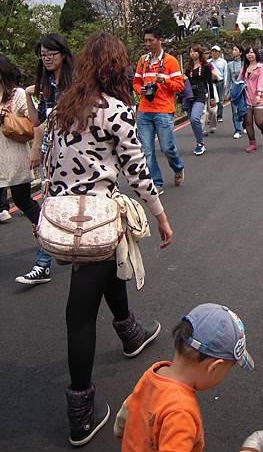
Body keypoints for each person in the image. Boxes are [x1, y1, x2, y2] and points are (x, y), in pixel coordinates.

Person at [49, 32, 173, 447]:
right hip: (96, 215)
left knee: (109, 264)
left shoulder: (65, 105)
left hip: (64, 212)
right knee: (79, 313)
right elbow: (138, 171)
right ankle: (80, 414)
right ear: (118, 67)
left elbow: (52, 163)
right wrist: (161, 217)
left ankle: (130, 333)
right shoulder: (116, 111)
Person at [114, 303, 253, 451]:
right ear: (214, 367)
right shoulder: (181, 413)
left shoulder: (154, 373)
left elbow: (127, 411)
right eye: (226, 371)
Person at [16, 33, 74, 285]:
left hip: (76, 156)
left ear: (63, 54)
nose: (47, 58)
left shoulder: (75, 83)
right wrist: (30, 95)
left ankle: (86, 252)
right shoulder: (48, 84)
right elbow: (38, 122)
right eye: (43, 55)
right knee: (48, 207)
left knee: (75, 207)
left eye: (51, 53)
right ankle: (43, 264)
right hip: (52, 156)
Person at [134, 27, 185, 196]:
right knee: (146, 151)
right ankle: (157, 182)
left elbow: (179, 86)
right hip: (144, 111)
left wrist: (165, 81)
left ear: (159, 40)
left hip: (163, 110)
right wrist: (139, 90)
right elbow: (136, 82)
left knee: (167, 147)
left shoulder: (170, 61)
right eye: (145, 40)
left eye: (150, 40)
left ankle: (178, 167)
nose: (147, 44)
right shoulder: (142, 61)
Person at [0, 54, 41, 243]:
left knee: (22, 200)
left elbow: (37, 122)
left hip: (14, 159)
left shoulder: (17, 94)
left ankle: (47, 231)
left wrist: (35, 150)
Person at [185, 45, 215, 156]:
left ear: (199, 53)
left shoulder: (206, 66)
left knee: (194, 118)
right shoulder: (188, 67)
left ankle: (200, 144)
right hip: (189, 95)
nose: (193, 54)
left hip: (200, 94)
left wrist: (212, 97)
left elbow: (210, 82)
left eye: (195, 52)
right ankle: (200, 142)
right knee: (192, 121)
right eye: (191, 52)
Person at [240, 47, 263, 153]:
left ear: (256, 54)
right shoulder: (245, 67)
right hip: (247, 98)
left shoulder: (261, 67)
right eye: (248, 53)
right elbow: (239, 81)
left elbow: (261, 82)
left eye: (252, 53)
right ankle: (252, 143)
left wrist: (259, 94)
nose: (250, 55)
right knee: (248, 122)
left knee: (259, 121)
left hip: (259, 98)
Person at [226, 45, 245, 138]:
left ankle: (245, 125)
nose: (233, 51)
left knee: (244, 110)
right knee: (234, 111)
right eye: (232, 49)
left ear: (240, 52)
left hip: (244, 90)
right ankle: (238, 130)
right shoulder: (229, 64)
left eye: (235, 50)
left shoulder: (245, 63)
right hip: (234, 90)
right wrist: (227, 92)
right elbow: (228, 79)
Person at [210, 45, 227, 122]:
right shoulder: (208, 62)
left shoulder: (223, 62)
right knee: (212, 100)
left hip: (220, 82)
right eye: (213, 51)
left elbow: (225, 72)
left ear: (219, 53)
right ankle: (212, 116)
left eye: (216, 51)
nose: (214, 53)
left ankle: (219, 116)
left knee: (220, 100)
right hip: (212, 83)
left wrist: (226, 82)